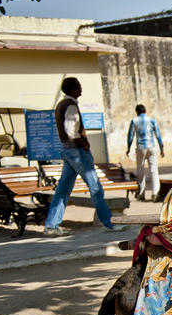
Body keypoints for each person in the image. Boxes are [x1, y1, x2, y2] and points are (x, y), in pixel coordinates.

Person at [44, 78, 125, 236]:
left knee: (63, 189)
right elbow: (71, 130)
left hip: (66, 150)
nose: (81, 89)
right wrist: (83, 144)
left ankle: (51, 225)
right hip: (76, 151)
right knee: (95, 188)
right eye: (79, 87)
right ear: (73, 89)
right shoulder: (71, 105)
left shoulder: (61, 104)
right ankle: (109, 223)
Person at [126, 104, 165, 201]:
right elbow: (158, 135)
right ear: (145, 111)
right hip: (151, 146)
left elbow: (130, 136)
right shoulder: (152, 120)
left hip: (140, 147)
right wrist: (161, 148)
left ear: (137, 112)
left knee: (140, 170)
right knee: (154, 170)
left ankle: (141, 193)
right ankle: (155, 193)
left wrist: (128, 148)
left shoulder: (134, 121)